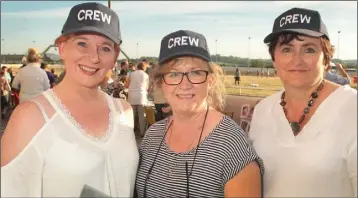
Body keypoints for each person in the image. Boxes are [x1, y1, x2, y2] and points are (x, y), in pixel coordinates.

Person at [1, 2, 138, 197]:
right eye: (82, 43)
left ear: (115, 57)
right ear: (62, 48)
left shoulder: (123, 112)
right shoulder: (30, 116)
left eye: (105, 48)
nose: (94, 57)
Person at [135, 30, 264, 197]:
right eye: (174, 74)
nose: (185, 84)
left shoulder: (231, 145)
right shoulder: (152, 136)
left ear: (210, 81)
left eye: (195, 73)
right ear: (161, 83)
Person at [250, 7, 357, 197]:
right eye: (286, 49)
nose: (296, 60)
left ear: (326, 59)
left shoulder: (351, 108)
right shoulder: (263, 110)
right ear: (274, 59)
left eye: (308, 49)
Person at [127, 62, 149, 137]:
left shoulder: (131, 74)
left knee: (132, 116)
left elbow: (127, 85)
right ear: (144, 68)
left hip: (132, 96)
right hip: (141, 96)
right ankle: (142, 133)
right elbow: (147, 88)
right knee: (141, 116)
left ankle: (131, 132)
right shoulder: (146, 75)